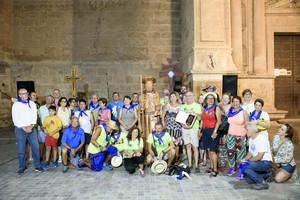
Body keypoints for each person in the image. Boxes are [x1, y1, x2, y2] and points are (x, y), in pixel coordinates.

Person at [12, 88, 43, 173]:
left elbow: (34, 116)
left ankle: (38, 165)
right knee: (21, 149)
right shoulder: (16, 105)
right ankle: (22, 166)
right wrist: (24, 128)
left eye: (26, 93)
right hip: (20, 129)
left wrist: (31, 126)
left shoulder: (32, 104)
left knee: (35, 147)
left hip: (32, 129)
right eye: (23, 93)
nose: (25, 95)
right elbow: (15, 118)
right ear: (19, 95)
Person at [241, 122, 272, 190]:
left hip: (265, 162)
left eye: (247, 130)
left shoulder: (262, 138)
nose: (245, 131)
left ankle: (263, 183)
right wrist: (244, 160)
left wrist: (247, 161)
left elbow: (260, 156)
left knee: (246, 168)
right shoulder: (251, 139)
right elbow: (250, 153)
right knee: (248, 180)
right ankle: (267, 174)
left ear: (253, 130)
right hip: (258, 162)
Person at [226, 96, 249, 176]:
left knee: (240, 154)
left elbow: (247, 125)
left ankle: (240, 170)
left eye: (237, 101)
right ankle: (232, 168)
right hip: (230, 136)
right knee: (230, 153)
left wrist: (247, 138)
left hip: (240, 136)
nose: (235, 103)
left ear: (240, 103)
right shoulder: (230, 111)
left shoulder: (243, 112)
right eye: (234, 101)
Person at [200, 92, 221, 177]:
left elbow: (219, 121)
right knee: (208, 150)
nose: (210, 100)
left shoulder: (216, 108)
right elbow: (202, 120)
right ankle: (211, 167)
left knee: (212, 151)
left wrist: (215, 131)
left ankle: (215, 170)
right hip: (205, 131)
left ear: (214, 100)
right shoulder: (204, 109)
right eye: (208, 98)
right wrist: (200, 130)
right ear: (206, 100)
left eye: (212, 98)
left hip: (212, 130)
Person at [180, 91, 202, 172]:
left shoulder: (197, 106)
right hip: (185, 129)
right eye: (187, 96)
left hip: (194, 128)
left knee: (195, 147)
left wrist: (193, 112)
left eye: (190, 96)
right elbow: (180, 118)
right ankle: (189, 164)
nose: (188, 97)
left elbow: (199, 118)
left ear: (193, 96)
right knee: (188, 146)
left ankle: (196, 165)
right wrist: (183, 125)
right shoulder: (183, 106)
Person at [140, 77, 161, 151]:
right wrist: (141, 109)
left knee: (154, 133)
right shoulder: (142, 96)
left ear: (153, 86)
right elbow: (140, 108)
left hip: (153, 117)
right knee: (146, 134)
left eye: (150, 85)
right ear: (145, 86)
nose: (148, 87)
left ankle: (155, 151)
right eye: (147, 85)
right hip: (145, 118)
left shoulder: (156, 94)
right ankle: (147, 152)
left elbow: (158, 105)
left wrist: (156, 111)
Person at [162, 91, 182, 162]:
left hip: (177, 128)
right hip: (168, 128)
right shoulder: (167, 105)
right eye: (171, 96)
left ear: (177, 97)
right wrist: (163, 123)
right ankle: (170, 158)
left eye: (174, 96)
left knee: (176, 144)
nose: (172, 98)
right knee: (169, 144)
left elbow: (182, 117)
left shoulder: (180, 106)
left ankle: (176, 159)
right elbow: (163, 115)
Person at [218, 93, 231, 171]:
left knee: (230, 147)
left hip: (229, 130)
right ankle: (222, 164)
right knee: (222, 147)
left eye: (226, 98)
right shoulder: (219, 107)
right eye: (223, 98)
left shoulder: (232, 108)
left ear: (229, 100)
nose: (225, 99)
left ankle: (231, 164)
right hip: (221, 129)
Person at [39, 95, 55, 160]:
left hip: (51, 129)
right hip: (43, 128)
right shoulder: (41, 108)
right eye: (48, 98)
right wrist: (41, 126)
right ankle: (41, 156)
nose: (49, 100)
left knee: (51, 143)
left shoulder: (54, 108)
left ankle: (50, 157)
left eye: (50, 99)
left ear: (52, 100)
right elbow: (39, 118)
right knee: (42, 143)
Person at [57, 97, 71, 163]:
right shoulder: (58, 109)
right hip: (60, 128)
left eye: (65, 101)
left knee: (67, 142)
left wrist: (68, 125)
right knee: (60, 143)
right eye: (62, 101)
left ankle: (66, 156)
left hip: (67, 128)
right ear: (60, 102)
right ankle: (60, 157)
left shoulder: (68, 109)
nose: (64, 102)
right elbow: (56, 119)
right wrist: (61, 126)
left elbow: (69, 119)